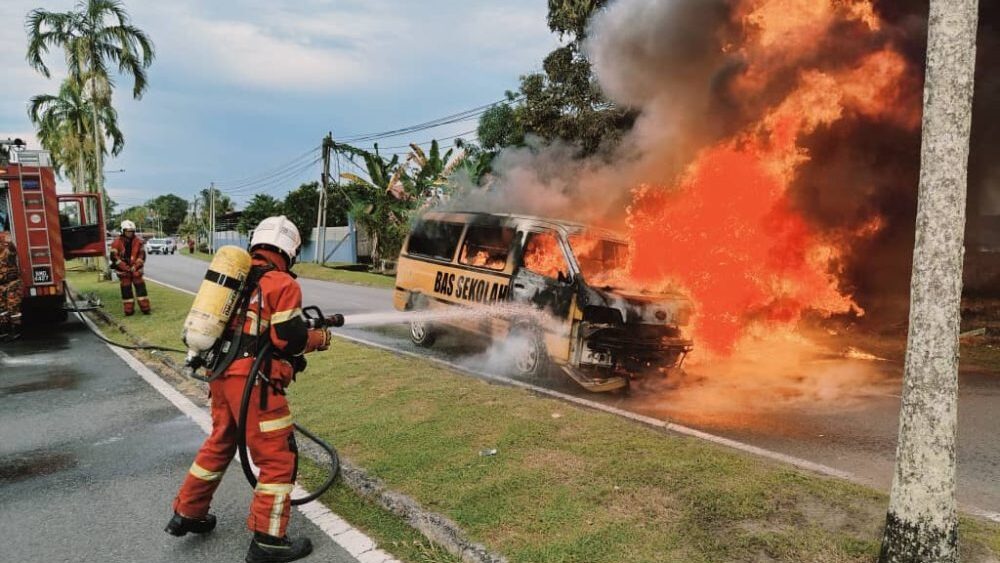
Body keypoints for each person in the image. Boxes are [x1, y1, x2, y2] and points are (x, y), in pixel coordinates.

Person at [166, 216, 331, 563]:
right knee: (277, 457)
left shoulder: (238, 279)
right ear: (290, 249)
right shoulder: (281, 283)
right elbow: (289, 338)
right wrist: (319, 338)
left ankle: (188, 512)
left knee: (222, 441)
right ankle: (268, 539)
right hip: (254, 384)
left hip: (221, 375)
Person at [109, 220, 150, 315]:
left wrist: (135, 266)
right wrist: (126, 267)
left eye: (131, 231)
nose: (129, 233)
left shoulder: (138, 242)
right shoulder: (116, 243)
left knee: (141, 291)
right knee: (126, 292)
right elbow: (114, 257)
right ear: (123, 231)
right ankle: (129, 311)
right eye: (127, 231)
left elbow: (142, 256)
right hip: (124, 272)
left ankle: (146, 309)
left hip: (136, 271)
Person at [0, 233, 22, 340]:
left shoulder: (8, 250)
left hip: (12, 283)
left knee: (13, 309)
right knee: (2, 310)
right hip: (1, 285)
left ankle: (16, 332)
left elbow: (13, 251)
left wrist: (9, 242)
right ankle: (4, 332)